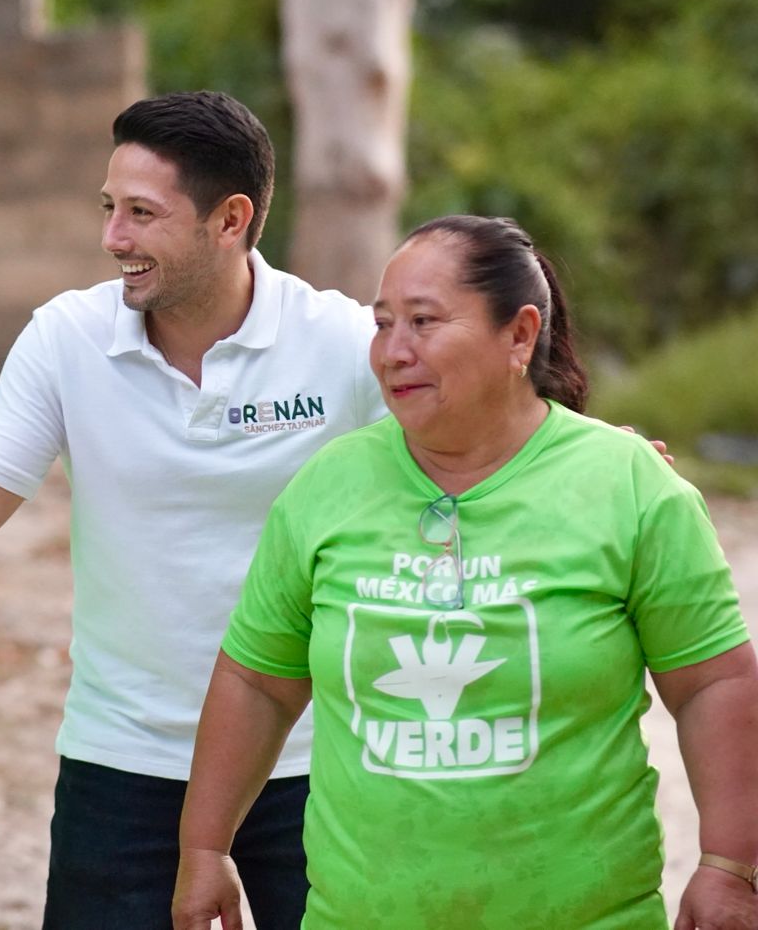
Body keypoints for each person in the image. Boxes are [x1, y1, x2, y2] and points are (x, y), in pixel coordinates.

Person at [0, 91, 388, 929]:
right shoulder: (66, 338)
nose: (113, 239)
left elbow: (468, 440)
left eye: (141, 214)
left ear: (231, 220)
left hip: (311, 763)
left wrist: (588, 458)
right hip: (123, 763)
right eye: (108, 209)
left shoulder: (340, 343)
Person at [172, 215, 758, 930]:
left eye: (424, 322)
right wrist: (205, 848)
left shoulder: (630, 485)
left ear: (519, 335)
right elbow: (257, 681)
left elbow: (713, 683)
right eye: (383, 324)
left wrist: (729, 865)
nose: (394, 352)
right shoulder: (327, 486)